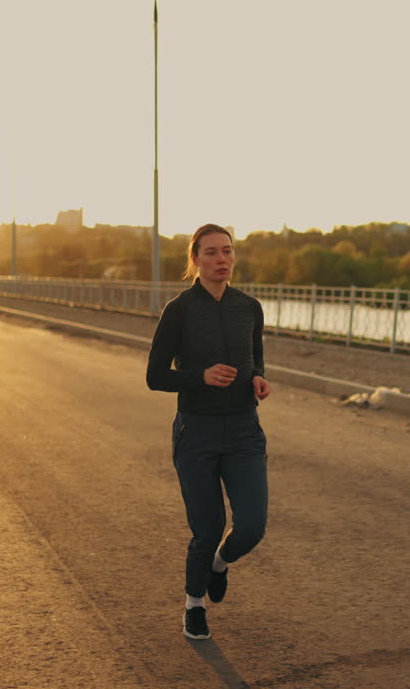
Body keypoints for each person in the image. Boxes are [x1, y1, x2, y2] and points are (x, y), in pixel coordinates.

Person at [146, 223, 272, 641]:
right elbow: (155, 376)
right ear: (195, 259)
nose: (222, 260)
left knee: (252, 526)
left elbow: (255, 359)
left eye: (228, 252)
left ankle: (220, 562)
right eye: (212, 253)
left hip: (243, 431)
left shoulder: (249, 307)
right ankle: (194, 605)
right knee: (207, 528)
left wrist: (258, 380)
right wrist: (200, 376)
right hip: (196, 433)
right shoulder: (179, 310)